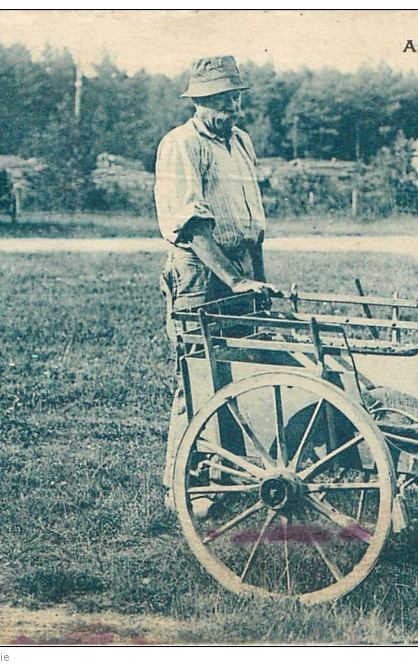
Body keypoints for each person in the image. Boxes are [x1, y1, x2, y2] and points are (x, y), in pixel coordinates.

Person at [155, 55, 279, 511]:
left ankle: (228, 474)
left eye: (235, 99)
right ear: (200, 101)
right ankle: (183, 488)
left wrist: (258, 282)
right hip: (200, 274)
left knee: (238, 373)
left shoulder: (241, 142)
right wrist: (233, 277)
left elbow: (253, 222)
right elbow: (191, 225)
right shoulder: (181, 145)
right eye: (223, 102)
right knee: (198, 378)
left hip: (240, 269)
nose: (232, 110)